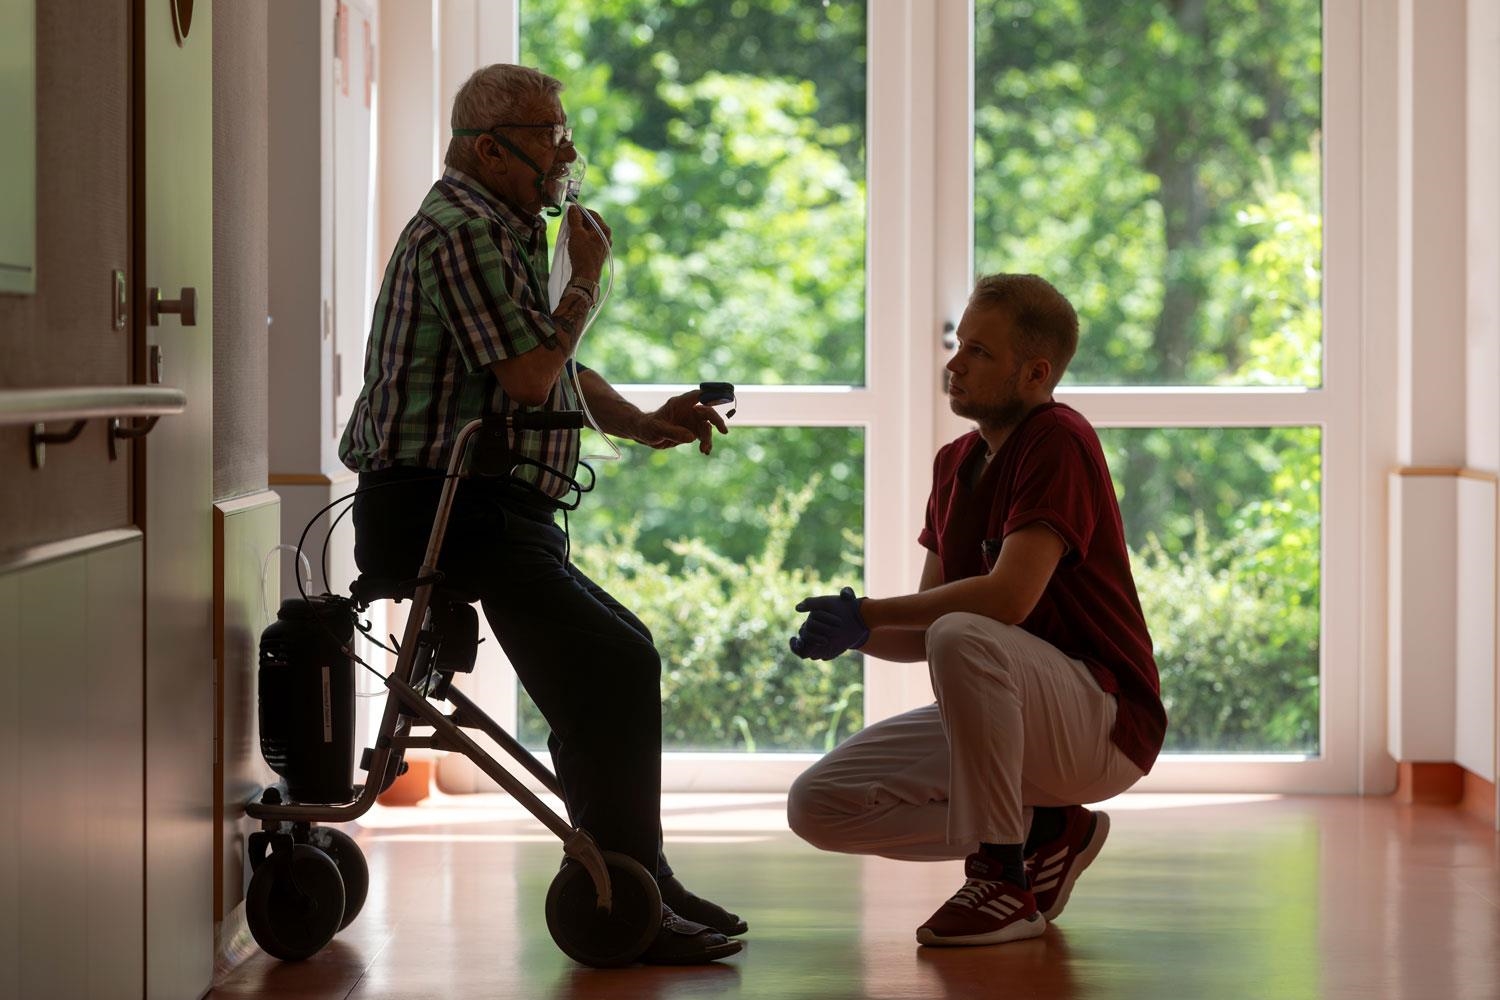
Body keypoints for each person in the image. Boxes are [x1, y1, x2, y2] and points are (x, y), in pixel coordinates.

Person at [339, 63, 743, 965]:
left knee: (612, 665)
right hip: (445, 507)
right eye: (550, 137)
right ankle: (629, 886)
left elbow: (535, 362)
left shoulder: (498, 227)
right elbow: (529, 373)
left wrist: (640, 422)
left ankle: (637, 876)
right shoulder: (463, 233)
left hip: (485, 507)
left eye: (563, 133)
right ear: (489, 148)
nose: (567, 154)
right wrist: (585, 283)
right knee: (615, 663)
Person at [785, 273, 1166, 947]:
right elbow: (925, 631)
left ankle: (1002, 876)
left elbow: (1006, 599)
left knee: (968, 630)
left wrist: (870, 609)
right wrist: (859, 634)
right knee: (818, 807)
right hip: (1011, 718)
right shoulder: (954, 463)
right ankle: (1050, 829)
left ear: (1035, 372)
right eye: (960, 344)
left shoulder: (1059, 439)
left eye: (980, 352)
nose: (955, 364)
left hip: (1102, 723)